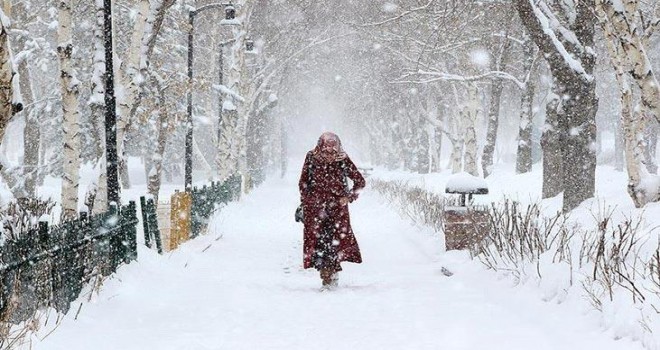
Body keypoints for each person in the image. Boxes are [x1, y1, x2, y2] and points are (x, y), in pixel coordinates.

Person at [298, 132, 366, 289]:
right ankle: (326, 275)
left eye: (332, 151)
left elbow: (360, 182)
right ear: (320, 147)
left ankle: (330, 277)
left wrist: (349, 197)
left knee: (333, 244)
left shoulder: (342, 159)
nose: (329, 154)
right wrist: (308, 200)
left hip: (337, 212)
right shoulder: (311, 158)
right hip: (315, 211)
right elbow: (303, 182)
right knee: (319, 244)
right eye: (326, 150)